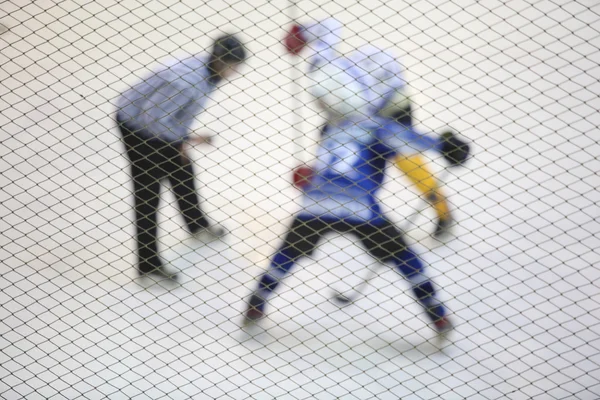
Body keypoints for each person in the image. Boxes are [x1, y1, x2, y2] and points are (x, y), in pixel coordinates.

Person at [243, 19, 470, 337]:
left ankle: (257, 302)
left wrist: (309, 176)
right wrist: (446, 146)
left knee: (286, 255)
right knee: (406, 257)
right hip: (361, 210)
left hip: (315, 205)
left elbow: (329, 158)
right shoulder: (381, 127)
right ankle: (437, 314)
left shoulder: (331, 124)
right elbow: (412, 143)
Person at [287, 19, 462, 237]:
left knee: (406, 159)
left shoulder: (355, 99)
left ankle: (442, 209)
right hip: (363, 99)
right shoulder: (323, 66)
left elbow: (379, 131)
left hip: (391, 106)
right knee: (333, 140)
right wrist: (302, 33)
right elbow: (330, 27)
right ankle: (335, 191)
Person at [115, 34, 247, 277]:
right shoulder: (186, 82)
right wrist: (185, 140)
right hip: (137, 128)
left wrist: (181, 140)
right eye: (232, 65)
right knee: (148, 193)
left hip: (159, 124)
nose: (235, 71)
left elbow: (170, 115)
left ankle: (196, 225)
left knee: (182, 169)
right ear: (218, 60)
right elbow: (152, 120)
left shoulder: (207, 73)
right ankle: (148, 266)